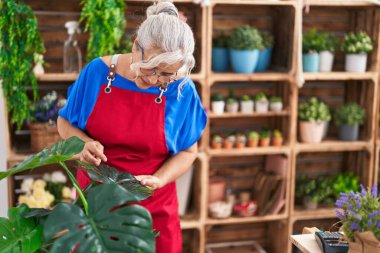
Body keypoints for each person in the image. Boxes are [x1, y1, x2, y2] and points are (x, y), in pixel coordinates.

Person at [56, 0, 207, 252]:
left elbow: (189, 152)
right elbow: (64, 121)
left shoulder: (181, 89)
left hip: (154, 211)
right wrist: (83, 145)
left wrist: (159, 179)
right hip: (97, 208)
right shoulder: (96, 73)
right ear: (136, 46)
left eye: (166, 75)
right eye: (151, 69)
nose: (155, 80)